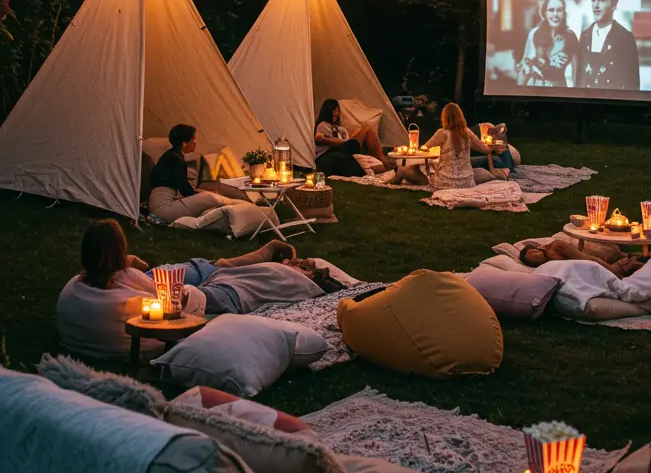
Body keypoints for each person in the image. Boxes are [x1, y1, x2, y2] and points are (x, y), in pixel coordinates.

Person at [55, 219, 348, 361]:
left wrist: (129, 265)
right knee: (233, 284)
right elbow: (175, 304)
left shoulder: (79, 290)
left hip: (167, 290)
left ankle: (235, 261)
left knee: (188, 269)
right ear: (117, 254)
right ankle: (295, 273)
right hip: (194, 303)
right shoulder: (126, 295)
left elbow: (136, 280)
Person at [148, 123, 249, 223]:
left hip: (164, 202)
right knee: (211, 198)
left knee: (206, 196)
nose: (195, 142)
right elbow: (185, 190)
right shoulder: (175, 159)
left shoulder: (172, 156)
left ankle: (242, 208)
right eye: (192, 140)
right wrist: (204, 194)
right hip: (163, 208)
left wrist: (200, 192)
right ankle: (245, 206)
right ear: (184, 143)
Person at [417, 102, 504, 191]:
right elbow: (485, 149)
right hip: (466, 182)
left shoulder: (442, 133)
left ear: (444, 117)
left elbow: (424, 148)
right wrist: (496, 146)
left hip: (444, 182)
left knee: (427, 171)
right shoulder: (467, 133)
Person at [575, 0, 640, 91]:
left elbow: (633, 83)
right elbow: (579, 78)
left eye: (602, 0)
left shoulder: (625, 38)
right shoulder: (585, 35)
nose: (595, 5)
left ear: (614, 6)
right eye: (593, 0)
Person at [518, 0, 578, 89]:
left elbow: (576, 70)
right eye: (551, 10)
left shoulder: (570, 37)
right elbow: (525, 69)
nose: (555, 14)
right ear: (545, 13)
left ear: (564, 13)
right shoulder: (534, 34)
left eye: (559, 10)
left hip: (559, 89)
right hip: (535, 88)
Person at [314, 99, 387, 178]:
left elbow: (347, 146)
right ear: (327, 112)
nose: (336, 114)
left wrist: (345, 142)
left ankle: (382, 160)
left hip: (345, 150)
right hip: (329, 153)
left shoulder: (342, 129)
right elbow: (320, 139)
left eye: (338, 111)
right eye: (334, 111)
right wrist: (342, 142)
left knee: (365, 130)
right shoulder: (323, 125)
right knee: (352, 145)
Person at [518, 236, 644, 277]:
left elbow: (584, 258)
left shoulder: (557, 246)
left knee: (627, 266)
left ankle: (637, 259)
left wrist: (609, 269)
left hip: (598, 259)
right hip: (587, 268)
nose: (534, 256)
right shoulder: (547, 266)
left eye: (532, 252)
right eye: (531, 259)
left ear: (538, 248)